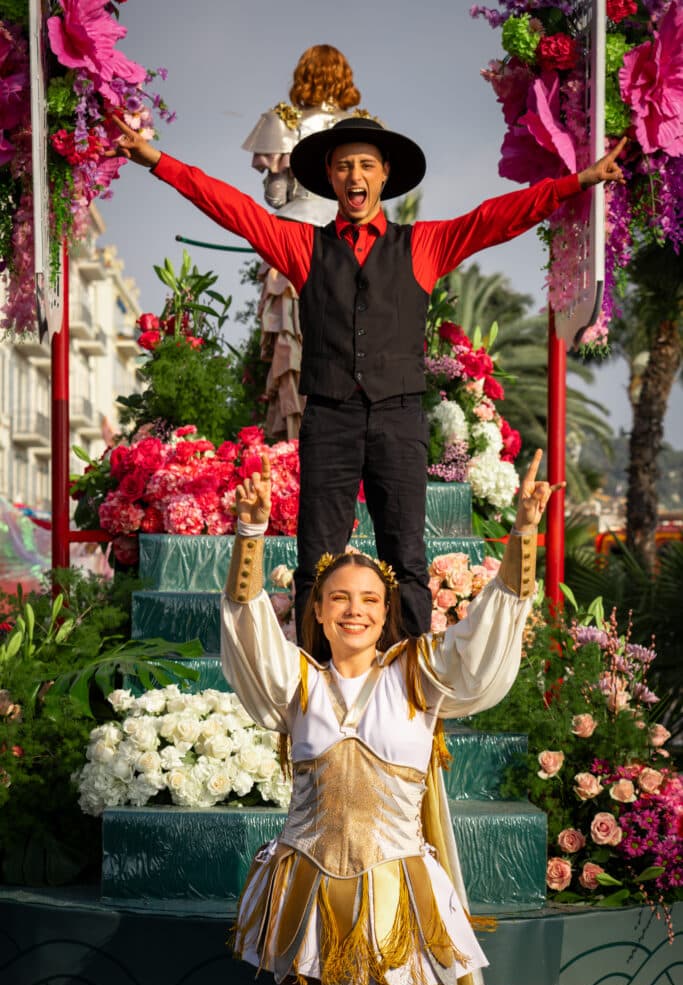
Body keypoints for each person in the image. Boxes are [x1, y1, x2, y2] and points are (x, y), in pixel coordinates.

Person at [111, 113, 625, 641]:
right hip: (330, 418)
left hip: (398, 418)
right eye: (343, 167)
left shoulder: (423, 244)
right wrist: (156, 160)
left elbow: (497, 217)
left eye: (365, 166)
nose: (355, 176)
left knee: (406, 559)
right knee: (317, 560)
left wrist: (577, 182)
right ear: (330, 178)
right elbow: (230, 207)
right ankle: (317, 683)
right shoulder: (302, 247)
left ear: (384, 176)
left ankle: (408, 690)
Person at [221, 448, 562, 985]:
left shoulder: (416, 673)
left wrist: (522, 538)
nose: (356, 610)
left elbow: (482, 638)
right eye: (340, 599)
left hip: (396, 896)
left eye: (370, 600)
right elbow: (245, 624)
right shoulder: (296, 680)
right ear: (321, 613)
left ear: (385, 614)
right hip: (304, 893)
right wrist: (251, 532)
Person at [242, 45, 365, 439]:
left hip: (291, 240)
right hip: (346, 243)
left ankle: (294, 442)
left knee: (292, 346)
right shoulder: (360, 128)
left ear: (303, 75)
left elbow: (276, 198)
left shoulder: (285, 123)